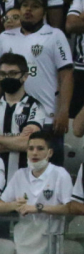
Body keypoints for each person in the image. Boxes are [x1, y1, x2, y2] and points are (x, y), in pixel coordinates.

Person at [0, 0, 73, 137]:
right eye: (24, 5)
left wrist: (64, 110)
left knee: (46, 158)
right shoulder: (5, 37)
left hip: (47, 116)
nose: (28, 10)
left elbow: (66, 75)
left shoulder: (55, 35)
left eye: (35, 6)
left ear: (44, 12)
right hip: (9, 114)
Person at [0, 132, 73, 254]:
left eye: (40, 149)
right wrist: (14, 205)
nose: (34, 153)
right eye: (31, 148)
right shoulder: (19, 175)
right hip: (22, 246)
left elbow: (69, 208)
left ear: (50, 152)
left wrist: (37, 208)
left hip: (49, 248)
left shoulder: (60, 174)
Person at [0, 52, 44, 186]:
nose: (7, 78)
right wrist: (15, 141)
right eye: (2, 74)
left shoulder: (35, 106)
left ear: (25, 76)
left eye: (13, 73)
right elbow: (21, 142)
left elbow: (28, 143)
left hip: (24, 184)